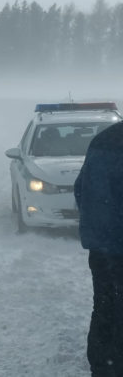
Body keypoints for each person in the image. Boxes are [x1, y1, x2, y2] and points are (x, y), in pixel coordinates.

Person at [74, 121, 123, 376]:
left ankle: (103, 367)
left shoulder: (103, 140)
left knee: (104, 306)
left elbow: (80, 188)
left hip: (102, 247)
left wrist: (99, 227)